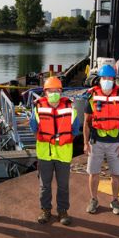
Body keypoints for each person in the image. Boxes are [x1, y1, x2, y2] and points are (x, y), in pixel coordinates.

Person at [29, 77, 81, 225]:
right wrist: (46, 139)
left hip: (63, 154)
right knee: (44, 185)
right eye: (50, 91)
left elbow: (75, 130)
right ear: (45, 92)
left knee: (63, 185)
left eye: (57, 90)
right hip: (45, 153)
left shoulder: (71, 109)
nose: (54, 93)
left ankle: (63, 211)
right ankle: (45, 210)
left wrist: (62, 140)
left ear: (61, 91)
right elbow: (34, 129)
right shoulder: (38, 108)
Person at [85, 64, 119, 215]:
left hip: (115, 142)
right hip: (96, 141)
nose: (107, 80)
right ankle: (93, 199)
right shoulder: (92, 96)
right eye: (104, 78)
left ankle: (115, 200)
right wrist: (85, 143)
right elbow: (86, 122)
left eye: (110, 78)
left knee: (116, 174)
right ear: (99, 79)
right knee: (93, 172)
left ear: (114, 79)